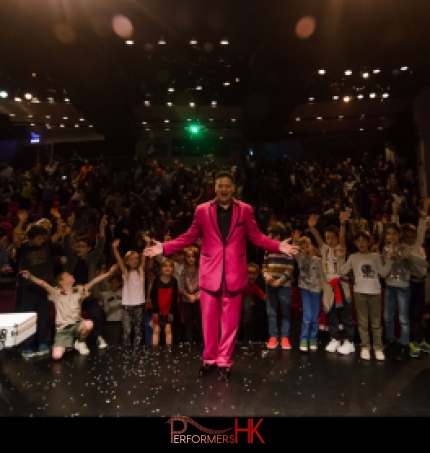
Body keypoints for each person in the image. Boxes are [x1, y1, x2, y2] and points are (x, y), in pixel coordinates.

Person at [144, 170, 299, 382]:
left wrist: (278, 246)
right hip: (210, 273)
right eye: (220, 186)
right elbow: (190, 236)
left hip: (234, 274)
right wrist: (164, 248)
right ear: (214, 188)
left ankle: (224, 361)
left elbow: (257, 236)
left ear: (233, 188)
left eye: (227, 186)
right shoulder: (202, 210)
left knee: (230, 323)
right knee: (208, 322)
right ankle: (209, 360)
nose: (224, 189)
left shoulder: (245, 210)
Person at [19, 266, 115, 360]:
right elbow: (43, 284)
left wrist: (108, 273)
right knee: (56, 356)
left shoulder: (79, 290)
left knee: (89, 324)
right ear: (61, 282)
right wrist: (30, 276)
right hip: (63, 329)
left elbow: (94, 281)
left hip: (77, 325)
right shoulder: (55, 293)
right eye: (67, 276)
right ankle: (68, 343)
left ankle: (80, 342)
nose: (71, 276)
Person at [339, 230, 392, 361]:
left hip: (375, 292)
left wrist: (390, 261)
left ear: (369, 242)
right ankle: (365, 347)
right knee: (363, 323)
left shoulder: (375, 256)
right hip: (359, 292)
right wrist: (341, 258)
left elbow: (383, 273)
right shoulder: (353, 257)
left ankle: (378, 348)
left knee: (376, 323)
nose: (361, 243)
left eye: (364, 240)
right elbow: (343, 271)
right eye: (359, 241)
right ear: (356, 243)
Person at [308, 212, 355, 355]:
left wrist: (342, 224)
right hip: (328, 285)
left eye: (332, 238)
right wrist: (312, 228)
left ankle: (349, 340)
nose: (330, 240)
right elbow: (317, 238)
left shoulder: (341, 248)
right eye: (327, 238)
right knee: (331, 313)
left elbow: (342, 237)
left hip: (341, 284)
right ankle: (334, 338)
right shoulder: (324, 248)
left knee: (346, 313)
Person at [62, 211, 108, 349]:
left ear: (88, 249)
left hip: (89, 297)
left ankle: (96, 337)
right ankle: (72, 341)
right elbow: (65, 245)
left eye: (82, 247)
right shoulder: (72, 259)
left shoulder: (91, 259)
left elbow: (100, 246)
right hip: (74, 297)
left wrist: (101, 229)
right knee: (71, 318)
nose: (79, 249)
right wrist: (68, 229)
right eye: (78, 246)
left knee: (98, 314)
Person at [382, 222, 428, 361]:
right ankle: (390, 341)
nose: (392, 236)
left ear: (399, 235)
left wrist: (410, 256)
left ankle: (404, 343)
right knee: (388, 316)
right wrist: (389, 261)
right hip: (390, 286)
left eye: (395, 233)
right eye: (389, 234)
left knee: (403, 318)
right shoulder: (385, 249)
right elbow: (384, 271)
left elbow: (424, 264)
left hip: (403, 287)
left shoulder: (406, 248)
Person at [262, 222, 296, 350]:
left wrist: (280, 280)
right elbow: (264, 266)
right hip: (270, 284)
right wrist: (266, 276)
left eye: (271, 235)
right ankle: (273, 336)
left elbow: (290, 267)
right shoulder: (268, 249)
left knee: (285, 311)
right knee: (271, 311)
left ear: (278, 236)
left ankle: (285, 337)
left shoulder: (287, 249)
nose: (268, 236)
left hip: (284, 285)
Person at [112, 238, 146, 348]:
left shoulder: (140, 272)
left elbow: (144, 256)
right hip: (127, 305)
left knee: (138, 329)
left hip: (139, 304)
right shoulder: (126, 274)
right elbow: (120, 262)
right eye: (131, 259)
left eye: (136, 259)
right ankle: (126, 348)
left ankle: (137, 348)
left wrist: (148, 243)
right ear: (127, 261)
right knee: (127, 328)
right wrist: (115, 249)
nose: (135, 261)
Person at [294, 235, 324, 352]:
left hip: (316, 290)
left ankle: (313, 338)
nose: (306, 249)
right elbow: (294, 250)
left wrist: (322, 288)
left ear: (311, 246)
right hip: (305, 289)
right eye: (303, 247)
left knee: (314, 317)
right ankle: (304, 339)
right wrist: (296, 240)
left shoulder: (318, 260)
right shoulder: (300, 258)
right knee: (307, 315)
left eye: (307, 246)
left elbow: (321, 275)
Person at [150, 257, 180, 346]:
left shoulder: (174, 281)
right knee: (156, 330)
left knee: (168, 330)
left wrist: (171, 311)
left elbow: (175, 298)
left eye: (170, 266)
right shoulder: (157, 281)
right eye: (165, 266)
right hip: (158, 309)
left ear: (173, 269)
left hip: (168, 309)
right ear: (161, 268)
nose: (167, 268)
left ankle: (168, 350)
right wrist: (155, 310)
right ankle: (154, 351)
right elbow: (153, 296)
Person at [179, 245, 202, 343]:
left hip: (199, 300)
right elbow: (181, 287)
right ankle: (189, 343)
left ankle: (201, 343)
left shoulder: (200, 270)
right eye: (189, 257)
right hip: (187, 300)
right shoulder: (183, 271)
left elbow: (204, 284)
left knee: (200, 322)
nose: (191, 259)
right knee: (189, 323)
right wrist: (189, 296)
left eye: (193, 256)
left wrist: (197, 296)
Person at [240, 262, 267, 342]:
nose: (251, 276)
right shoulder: (240, 284)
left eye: (254, 274)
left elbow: (264, 298)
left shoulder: (255, 288)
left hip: (247, 316)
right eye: (249, 273)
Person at [99, 272, 123, 346]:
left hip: (121, 322)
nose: (114, 284)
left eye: (116, 282)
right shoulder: (105, 294)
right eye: (112, 283)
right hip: (109, 323)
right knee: (110, 345)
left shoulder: (124, 292)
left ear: (120, 283)